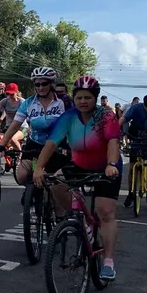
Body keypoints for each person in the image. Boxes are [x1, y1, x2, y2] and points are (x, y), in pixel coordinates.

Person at [34, 75, 122, 280]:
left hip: (106, 167)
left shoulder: (106, 117)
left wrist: (110, 165)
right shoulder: (68, 117)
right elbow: (51, 143)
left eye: (88, 97)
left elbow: (113, 142)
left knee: (105, 210)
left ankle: (108, 262)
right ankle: (78, 219)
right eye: (79, 97)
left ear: (95, 98)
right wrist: (39, 168)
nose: (83, 101)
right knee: (56, 183)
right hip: (79, 164)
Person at [0, 67, 68, 214]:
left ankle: (59, 216)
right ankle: (33, 190)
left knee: (55, 186)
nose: (40, 87)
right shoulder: (28, 103)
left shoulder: (62, 102)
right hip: (35, 145)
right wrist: (2, 145)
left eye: (44, 83)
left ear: (52, 84)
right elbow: (15, 126)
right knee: (21, 176)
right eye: (37, 84)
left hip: (56, 146)